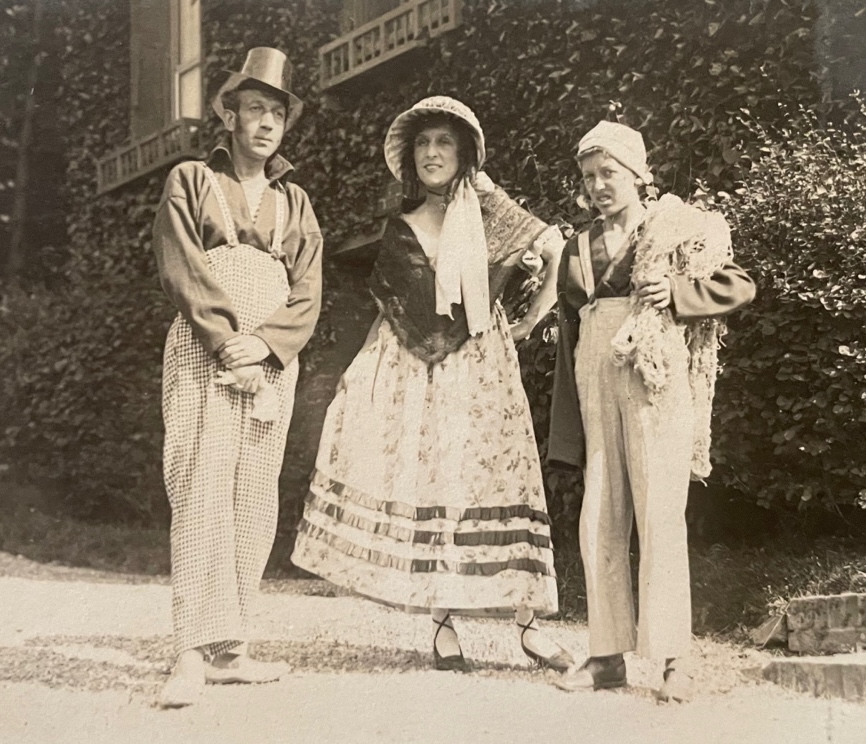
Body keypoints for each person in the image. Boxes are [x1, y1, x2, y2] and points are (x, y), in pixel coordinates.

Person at [291, 96, 572, 672]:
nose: (432, 153)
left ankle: (529, 625)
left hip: (482, 365)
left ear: (465, 152)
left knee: (497, 475)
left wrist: (525, 323)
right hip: (416, 373)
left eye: (444, 142)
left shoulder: (491, 213)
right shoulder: (401, 229)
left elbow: (554, 248)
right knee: (437, 480)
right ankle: (444, 625)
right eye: (423, 143)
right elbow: (397, 311)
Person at [548, 121, 755, 701]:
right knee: (601, 511)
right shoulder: (578, 244)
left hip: (654, 373)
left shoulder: (676, 228)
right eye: (589, 177)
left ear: (639, 175)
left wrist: (682, 298)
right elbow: (570, 324)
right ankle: (606, 653)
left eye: (610, 174)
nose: (599, 186)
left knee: (659, 510)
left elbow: (739, 285)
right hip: (596, 368)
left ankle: (672, 658)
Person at [151, 47, 323, 707]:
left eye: (276, 112)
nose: (265, 123)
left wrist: (267, 349)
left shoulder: (296, 201)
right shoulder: (191, 179)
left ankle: (232, 647)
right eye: (254, 108)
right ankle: (190, 652)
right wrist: (229, 343)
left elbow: (307, 293)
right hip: (205, 348)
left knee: (254, 493)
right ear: (230, 115)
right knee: (199, 487)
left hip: (271, 360)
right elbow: (183, 266)